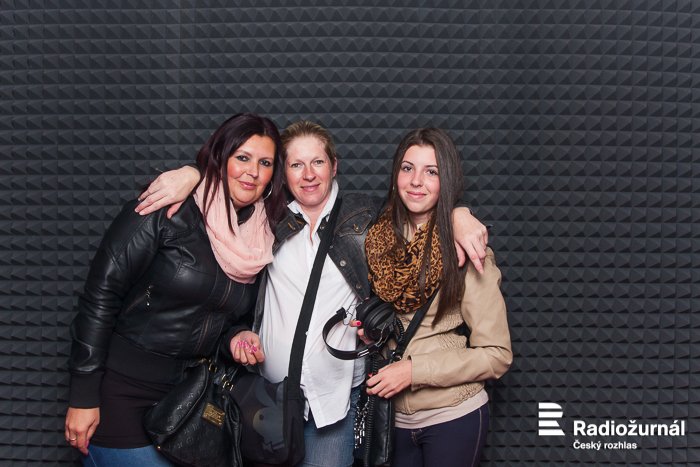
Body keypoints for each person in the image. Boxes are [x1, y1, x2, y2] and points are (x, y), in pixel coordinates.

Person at [136, 120, 490, 467]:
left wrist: (459, 214)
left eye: (317, 162)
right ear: (283, 173)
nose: (308, 175)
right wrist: (192, 174)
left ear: (334, 166)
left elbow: (417, 206)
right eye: (296, 164)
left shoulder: (367, 217)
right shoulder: (265, 218)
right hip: (267, 401)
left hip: (334, 405)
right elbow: (235, 285)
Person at [64, 112, 286, 466]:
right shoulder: (168, 206)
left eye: (265, 163)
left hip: (186, 401)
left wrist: (237, 336)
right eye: (242, 157)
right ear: (221, 158)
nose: (253, 172)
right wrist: (83, 395)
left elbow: (221, 317)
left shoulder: (260, 239)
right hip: (120, 391)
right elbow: (99, 298)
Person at [362, 128, 513, 467]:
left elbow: (497, 355)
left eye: (431, 171)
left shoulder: (466, 250)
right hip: (392, 421)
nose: (416, 181)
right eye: (407, 168)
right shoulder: (375, 241)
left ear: (447, 180)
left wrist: (414, 371)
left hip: (453, 416)